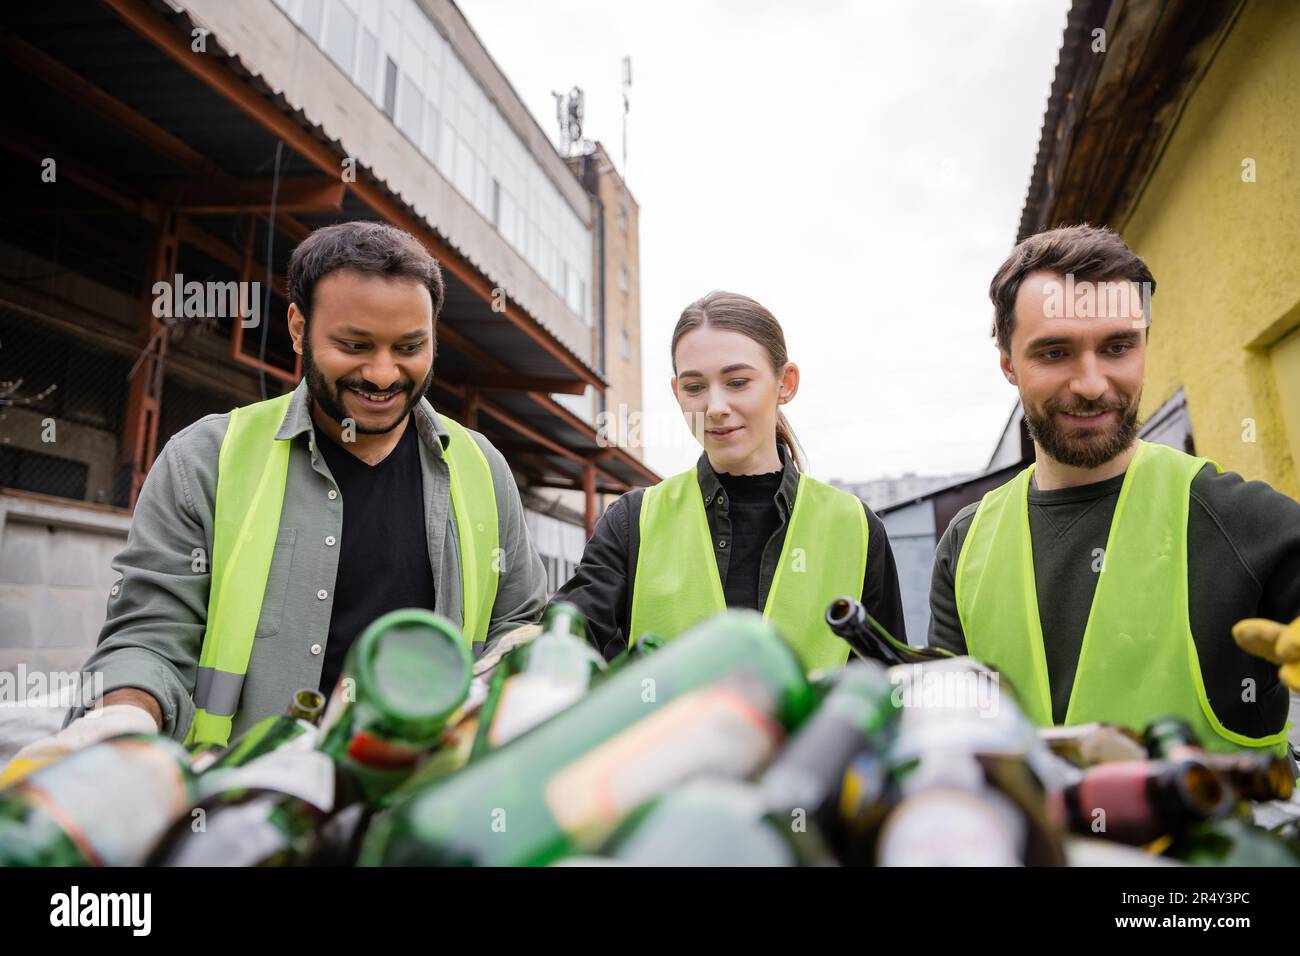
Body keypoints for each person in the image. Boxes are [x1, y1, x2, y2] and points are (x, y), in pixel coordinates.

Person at [7, 221, 546, 772]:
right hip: (239, 809)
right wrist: (120, 718)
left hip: (418, 806)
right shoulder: (204, 460)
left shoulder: (481, 469)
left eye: (409, 347)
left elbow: (519, 625)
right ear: (297, 327)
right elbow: (150, 635)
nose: (384, 374)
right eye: (354, 345)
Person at [929, 224, 1300, 754]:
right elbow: (950, 738)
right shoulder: (966, 546)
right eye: (1054, 353)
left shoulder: (1236, 517)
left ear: (1144, 345)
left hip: (1225, 840)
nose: (1091, 384)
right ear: (1009, 364)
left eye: (1117, 347)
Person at [552, 290, 906, 671]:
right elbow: (561, 651)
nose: (716, 408)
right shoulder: (630, 523)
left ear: (786, 383)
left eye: (737, 382)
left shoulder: (855, 528)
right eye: (694, 387)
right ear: (676, 393)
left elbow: (887, 682)